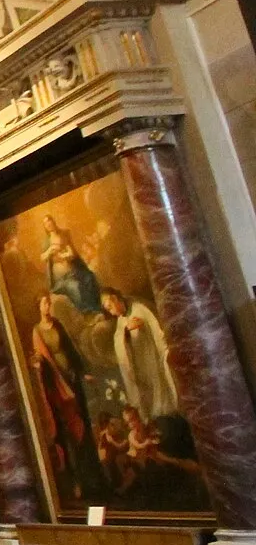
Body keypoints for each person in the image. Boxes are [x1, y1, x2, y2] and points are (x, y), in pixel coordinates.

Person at [28, 294, 104, 500]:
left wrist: (81, 371)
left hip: (70, 377)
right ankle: (76, 480)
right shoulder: (37, 331)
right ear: (39, 306)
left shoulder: (57, 325)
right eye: (45, 302)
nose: (48, 306)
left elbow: (70, 350)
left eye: (49, 302)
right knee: (66, 430)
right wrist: (38, 365)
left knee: (82, 424)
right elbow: (40, 360)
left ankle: (94, 479)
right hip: (55, 382)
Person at [102, 288, 179, 422]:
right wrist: (126, 331)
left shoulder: (139, 309)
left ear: (115, 298)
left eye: (110, 307)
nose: (112, 312)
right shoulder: (121, 321)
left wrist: (165, 351)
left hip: (153, 358)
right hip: (140, 366)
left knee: (163, 396)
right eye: (108, 310)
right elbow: (119, 341)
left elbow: (156, 328)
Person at [42, 214, 103, 314]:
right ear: (44, 227)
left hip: (74, 270)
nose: (48, 224)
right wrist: (50, 250)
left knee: (89, 277)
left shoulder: (64, 234)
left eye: (49, 221)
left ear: (53, 221)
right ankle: (87, 312)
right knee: (76, 286)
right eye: (45, 223)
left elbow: (72, 252)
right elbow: (43, 257)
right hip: (62, 278)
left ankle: (96, 307)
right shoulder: (46, 242)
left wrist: (64, 255)